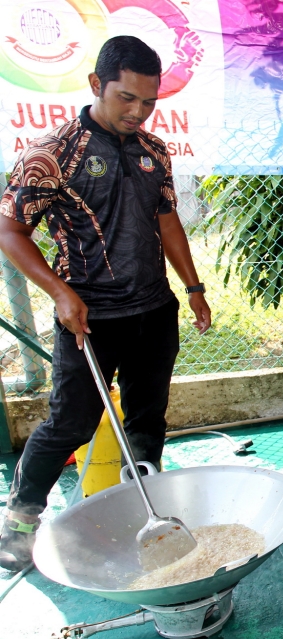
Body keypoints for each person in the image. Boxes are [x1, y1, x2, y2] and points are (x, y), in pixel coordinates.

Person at [0, 36, 212, 572]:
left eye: (149, 102)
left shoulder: (153, 151)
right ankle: (20, 520)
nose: (138, 112)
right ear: (96, 85)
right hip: (88, 318)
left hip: (154, 310)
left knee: (148, 415)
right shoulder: (52, 153)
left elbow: (167, 220)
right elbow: (9, 229)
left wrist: (192, 288)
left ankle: (143, 504)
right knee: (69, 423)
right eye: (126, 98)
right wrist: (60, 292)